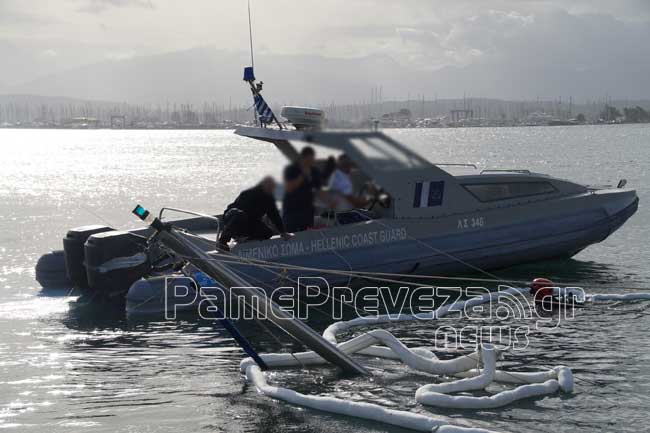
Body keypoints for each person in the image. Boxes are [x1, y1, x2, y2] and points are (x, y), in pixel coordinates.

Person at [217, 176, 290, 251]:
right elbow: (244, 210)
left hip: (250, 220)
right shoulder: (248, 193)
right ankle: (222, 241)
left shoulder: (269, 199)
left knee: (267, 232)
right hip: (232, 216)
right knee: (240, 215)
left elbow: (275, 215)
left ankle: (247, 239)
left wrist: (283, 232)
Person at [282, 146, 322, 232]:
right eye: (308, 160)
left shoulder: (314, 171)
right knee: (290, 235)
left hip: (307, 211)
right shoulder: (291, 169)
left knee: (307, 235)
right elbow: (289, 188)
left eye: (311, 160)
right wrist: (303, 175)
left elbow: (318, 189)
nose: (309, 162)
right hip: (291, 211)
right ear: (303, 158)